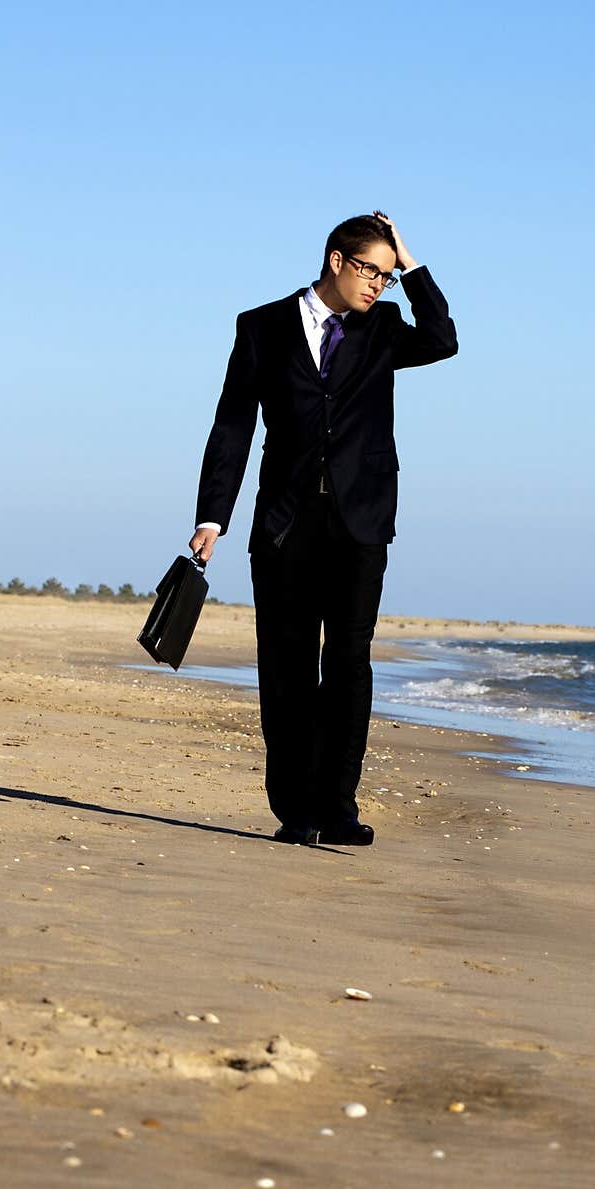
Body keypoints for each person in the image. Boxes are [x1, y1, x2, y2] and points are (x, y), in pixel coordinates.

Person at [189, 211, 458, 847]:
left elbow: (443, 338)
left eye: (388, 278)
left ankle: (338, 805)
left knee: (348, 664)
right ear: (336, 260)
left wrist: (412, 264)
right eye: (372, 271)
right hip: (285, 523)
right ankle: (294, 810)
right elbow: (233, 425)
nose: (378, 286)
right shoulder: (261, 327)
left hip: (361, 521)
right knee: (285, 666)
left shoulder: (385, 328)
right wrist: (212, 515)